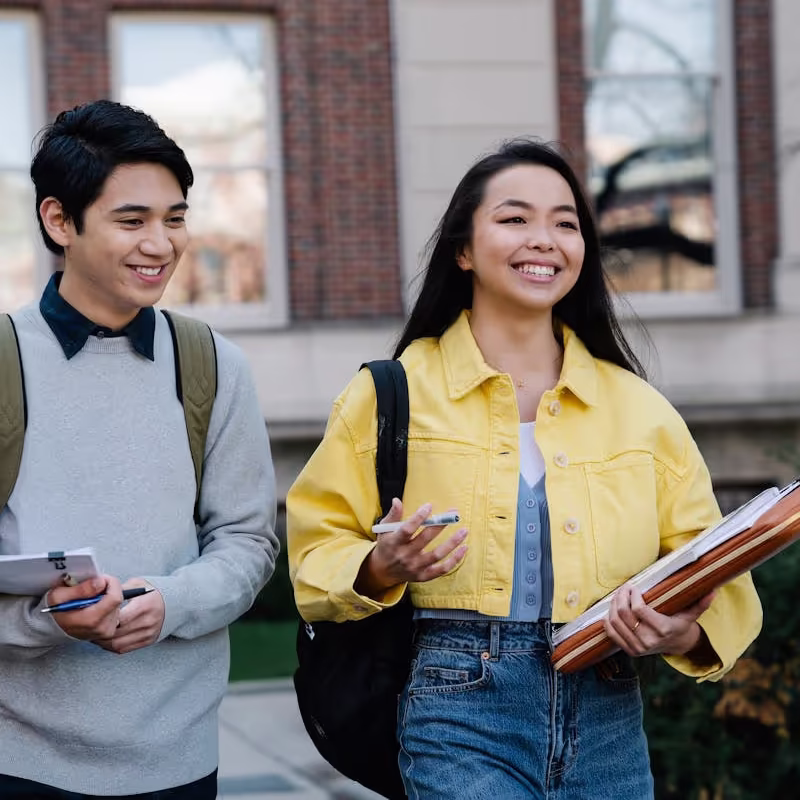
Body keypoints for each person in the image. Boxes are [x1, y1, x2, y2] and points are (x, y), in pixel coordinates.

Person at [287, 138, 762, 798]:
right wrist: (379, 565)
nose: (545, 239)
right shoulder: (389, 395)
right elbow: (315, 551)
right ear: (463, 249)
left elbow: (720, 575)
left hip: (609, 714)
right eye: (514, 219)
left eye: (565, 224)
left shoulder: (641, 410)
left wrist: (682, 630)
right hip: (456, 710)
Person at [0, 100, 278, 799]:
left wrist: (169, 601)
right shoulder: (4, 362)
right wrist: (46, 621)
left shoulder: (214, 365)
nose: (161, 244)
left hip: (178, 761)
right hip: (16, 761)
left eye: (174, 218)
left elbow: (248, 542)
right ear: (59, 221)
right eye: (133, 221)